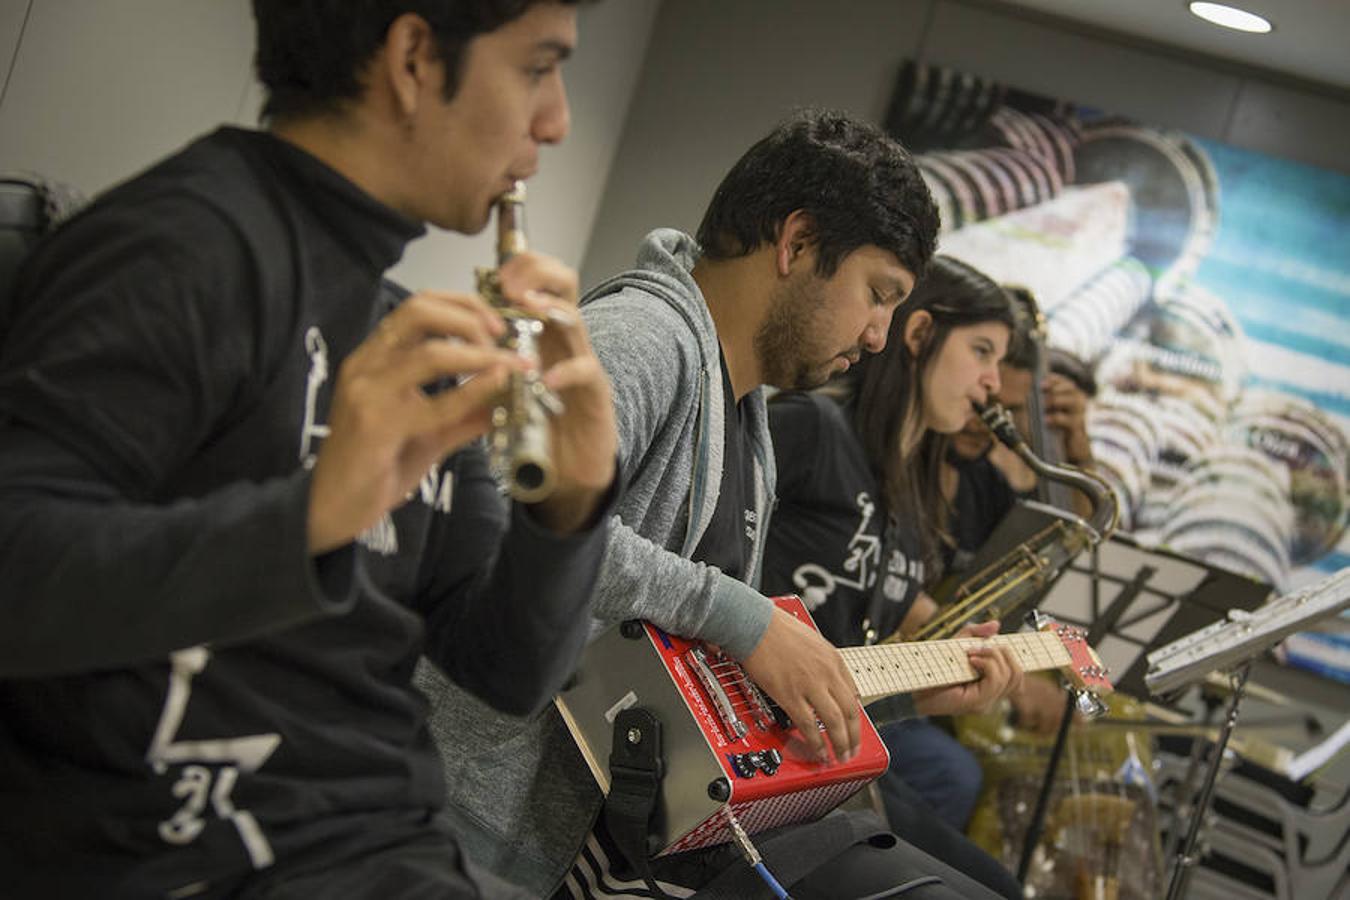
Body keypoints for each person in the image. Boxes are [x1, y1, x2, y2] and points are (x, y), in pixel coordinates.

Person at [0, 2, 619, 897]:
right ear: (412, 59)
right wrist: (310, 517)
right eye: (537, 68)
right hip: (190, 857)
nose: (556, 120)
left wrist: (573, 503)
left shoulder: (398, 332)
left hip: (383, 853)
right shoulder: (185, 247)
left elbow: (510, 671)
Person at [424, 109, 1022, 900]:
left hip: (567, 845)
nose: (880, 336)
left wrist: (905, 690)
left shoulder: (747, 419)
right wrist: (743, 615)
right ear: (798, 243)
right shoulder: (643, 337)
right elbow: (500, 513)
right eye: (878, 294)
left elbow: (684, 675)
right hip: (461, 831)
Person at [762, 255, 1030, 899]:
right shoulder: (811, 425)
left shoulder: (908, 499)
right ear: (919, 336)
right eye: (983, 352)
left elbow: (848, 677)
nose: (994, 382)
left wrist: (923, 698)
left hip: (825, 766)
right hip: (761, 765)